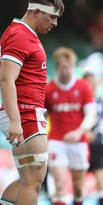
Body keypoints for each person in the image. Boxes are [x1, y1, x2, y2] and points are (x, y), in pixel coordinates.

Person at [0, 0, 64, 205]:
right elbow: (6, 79)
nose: (54, 23)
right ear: (36, 12)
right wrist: (15, 119)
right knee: (34, 180)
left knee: (28, 179)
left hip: (25, 112)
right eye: (52, 17)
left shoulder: (21, 33)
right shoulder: (20, 35)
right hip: (25, 113)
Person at [45, 47, 97, 205]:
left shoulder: (83, 86)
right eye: (63, 67)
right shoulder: (49, 89)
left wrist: (79, 132)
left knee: (78, 187)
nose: (67, 71)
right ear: (57, 67)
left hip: (79, 141)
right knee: (60, 185)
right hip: (57, 140)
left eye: (70, 67)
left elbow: (91, 114)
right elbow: (43, 115)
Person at [84, 63, 103, 205]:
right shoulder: (77, 101)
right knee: (79, 176)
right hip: (80, 142)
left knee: (99, 172)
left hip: (96, 142)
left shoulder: (99, 101)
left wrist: (93, 133)